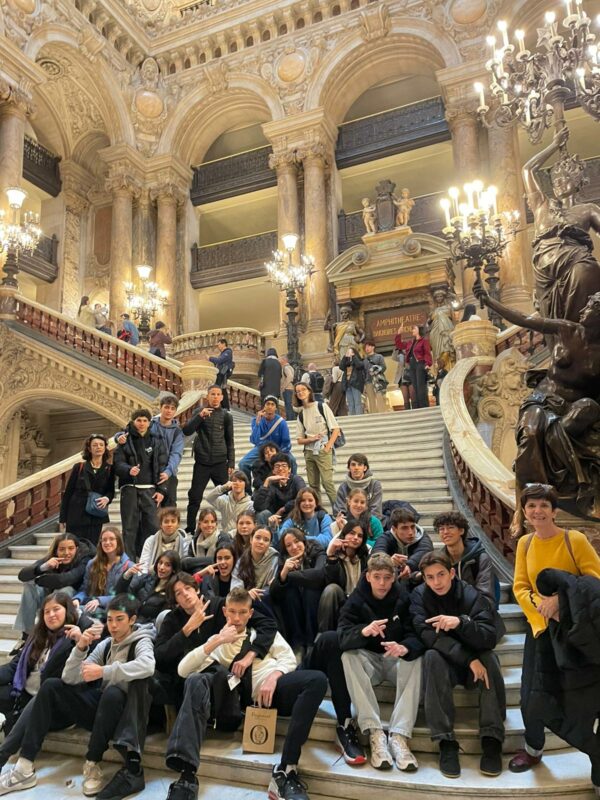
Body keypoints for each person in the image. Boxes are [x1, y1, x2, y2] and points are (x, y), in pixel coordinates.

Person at [165, 586, 326, 800]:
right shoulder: (217, 641)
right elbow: (182, 670)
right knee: (195, 679)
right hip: (241, 699)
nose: (237, 618)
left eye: (242, 612)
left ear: (250, 613)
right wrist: (217, 640)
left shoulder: (262, 634)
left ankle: (285, 770)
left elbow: (289, 659)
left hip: (274, 689)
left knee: (317, 680)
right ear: (224, 612)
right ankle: (186, 775)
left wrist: (274, 676)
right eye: (232, 612)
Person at [0, 594, 154, 799]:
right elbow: (70, 677)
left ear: (132, 620)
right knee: (51, 686)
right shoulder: (105, 644)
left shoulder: (142, 640)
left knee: (113, 694)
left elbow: (148, 665)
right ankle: (24, 767)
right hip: (99, 710)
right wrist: (80, 648)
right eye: (109, 619)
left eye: (119, 619)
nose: (113, 625)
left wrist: (104, 671)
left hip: (125, 717)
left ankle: (92, 763)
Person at [473, 280, 600, 518]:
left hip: (572, 406)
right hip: (544, 398)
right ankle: (522, 506)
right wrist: (489, 301)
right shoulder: (567, 329)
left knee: (582, 414)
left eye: (591, 306)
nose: (583, 309)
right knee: (531, 433)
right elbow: (525, 320)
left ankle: (551, 498)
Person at [510, 483, 600, 774]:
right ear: (524, 512)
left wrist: (560, 602)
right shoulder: (525, 544)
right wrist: (542, 608)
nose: (537, 511)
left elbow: (594, 580)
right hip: (540, 630)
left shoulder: (575, 540)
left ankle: (595, 759)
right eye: (531, 506)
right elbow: (520, 587)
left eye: (543, 505)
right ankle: (533, 749)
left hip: (574, 632)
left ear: (554, 511)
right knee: (531, 696)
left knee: (580, 696)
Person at [410, 552, 506, 779]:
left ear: (452, 573)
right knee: (431, 656)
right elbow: (428, 636)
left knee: (490, 658)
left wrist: (461, 623)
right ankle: (445, 741)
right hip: (449, 663)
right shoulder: (419, 596)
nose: (437, 582)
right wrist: (468, 659)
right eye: (430, 577)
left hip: (476, 661)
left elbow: (488, 637)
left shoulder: (470, 594)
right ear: (424, 578)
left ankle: (492, 738)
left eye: (441, 574)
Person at [153, 572, 277, 740]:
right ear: (175, 600)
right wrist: (186, 630)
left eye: (188, 588)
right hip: (184, 675)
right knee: (190, 679)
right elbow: (160, 657)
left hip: (217, 675)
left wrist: (251, 654)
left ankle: (185, 742)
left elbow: (268, 624)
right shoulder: (172, 619)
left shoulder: (219, 606)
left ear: (197, 589)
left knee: (201, 678)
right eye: (178, 593)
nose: (185, 595)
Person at [338, 553, 423, 771]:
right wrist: (363, 631)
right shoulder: (355, 599)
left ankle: (399, 735)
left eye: (387, 577)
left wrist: (405, 647)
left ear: (394, 577)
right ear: (368, 577)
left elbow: (417, 634)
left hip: (394, 659)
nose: (382, 583)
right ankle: (375, 731)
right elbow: (342, 637)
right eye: (377, 577)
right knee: (348, 656)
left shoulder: (404, 597)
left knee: (415, 658)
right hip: (370, 661)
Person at [523, 125, 600, 324]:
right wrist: (554, 145)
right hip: (545, 269)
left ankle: (579, 329)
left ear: (578, 182)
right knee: (549, 321)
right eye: (555, 178)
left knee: (586, 271)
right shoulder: (542, 205)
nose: (558, 181)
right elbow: (527, 169)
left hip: (576, 261)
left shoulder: (588, 209)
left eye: (564, 177)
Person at [0, 593, 83, 736]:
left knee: (16, 723)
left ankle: (11, 720)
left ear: (67, 610)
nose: (51, 615)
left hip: (52, 702)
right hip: (26, 693)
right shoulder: (37, 636)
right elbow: (14, 667)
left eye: (56, 609)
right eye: (46, 611)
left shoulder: (76, 639)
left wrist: (80, 643)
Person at [14, 532, 95, 638]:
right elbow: (22, 576)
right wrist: (43, 567)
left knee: (64, 590)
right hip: (50, 596)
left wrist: (38, 580)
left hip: (74, 599)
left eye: (71, 548)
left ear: (77, 548)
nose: (66, 553)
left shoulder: (85, 559)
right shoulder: (52, 558)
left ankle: (51, 633)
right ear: (56, 550)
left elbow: (66, 579)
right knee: (29, 586)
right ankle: (27, 634)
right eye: (62, 549)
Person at [113, 408, 168, 558]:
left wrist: (161, 490)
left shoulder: (156, 440)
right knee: (129, 528)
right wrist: (128, 470)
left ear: (149, 422)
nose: (142, 423)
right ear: (133, 422)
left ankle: (151, 560)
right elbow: (117, 464)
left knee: (152, 526)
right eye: (139, 420)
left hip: (150, 490)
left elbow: (162, 466)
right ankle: (129, 562)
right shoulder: (124, 440)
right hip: (129, 489)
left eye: (145, 420)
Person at [182, 385, 235, 534]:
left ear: (222, 397)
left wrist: (231, 462)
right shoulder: (199, 412)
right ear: (207, 396)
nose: (215, 397)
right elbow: (187, 431)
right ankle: (190, 529)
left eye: (218, 394)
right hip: (202, 463)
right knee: (194, 496)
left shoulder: (226, 416)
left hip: (220, 463)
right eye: (213, 394)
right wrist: (200, 416)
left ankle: (230, 527)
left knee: (227, 497)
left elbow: (230, 440)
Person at [270, 528, 326, 654]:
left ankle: (311, 643)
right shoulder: (285, 559)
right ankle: (298, 644)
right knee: (289, 592)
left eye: (297, 541)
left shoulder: (316, 549)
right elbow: (274, 592)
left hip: (316, 598)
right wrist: (284, 572)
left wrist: (290, 576)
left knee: (309, 591)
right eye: (289, 545)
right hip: (295, 604)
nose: (294, 547)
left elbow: (319, 574)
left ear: (304, 541)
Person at [59, 433, 115, 546]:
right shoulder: (79, 467)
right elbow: (68, 493)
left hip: (95, 514)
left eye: (101, 445)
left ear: (105, 448)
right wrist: (62, 518)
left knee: (92, 547)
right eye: (95, 445)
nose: (98, 447)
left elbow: (111, 491)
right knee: (74, 546)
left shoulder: (109, 469)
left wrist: (107, 498)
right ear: (89, 449)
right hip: (76, 513)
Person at [434, 511, 497, 608]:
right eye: (441, 529)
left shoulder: (480, 558)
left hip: (477, 609)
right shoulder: (438, 560)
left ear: (461, 531)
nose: (445, 532)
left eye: (451, 527)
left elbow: (486, 597)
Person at [294, 382, 340, 507]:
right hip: (309, 452)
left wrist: (328, 447)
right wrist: (311, 439)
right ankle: (318, 511)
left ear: (309, 391)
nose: (301, 393)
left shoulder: (321, 406)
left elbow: (336, 429)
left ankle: (339, 511)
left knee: (327, 482)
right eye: (298, 391)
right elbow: (299, 439)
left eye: (303, 389)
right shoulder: (301, 414)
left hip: (323, 448)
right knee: (313, 485)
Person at [318, 520, 369, 631]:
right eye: (352, 533)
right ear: (344, 534)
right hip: (342, 598)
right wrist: (331, 557)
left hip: (361, 599)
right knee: (331, 589)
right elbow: (330, 581)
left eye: (360, 536)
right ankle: (323, 634)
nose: (355, 538)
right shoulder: (333, 553)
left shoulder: (366, 556)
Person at [74, 527, 132, 619]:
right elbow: (85, 589)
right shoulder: (92, 564)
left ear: (119, 542)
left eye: (111, 539)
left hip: (114, 609)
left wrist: (100, 601)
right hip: (92, 605)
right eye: (104, 540)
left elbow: (126, 596)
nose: (107, 542)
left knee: (77, 613)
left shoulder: (129, 566)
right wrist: (78, 599)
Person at [116, 550, 181, 624]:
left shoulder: (172, 591)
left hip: (145, 627)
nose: (161, 567)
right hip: (128, 619)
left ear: (174, 569)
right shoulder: (148, 578)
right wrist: (127, 575)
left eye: (167, 565)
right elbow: (121, 594)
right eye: (160, 563)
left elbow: (160, 621)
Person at [238, 396, 293, 482]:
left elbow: (286, 442)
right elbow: (255, 440)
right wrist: (258, 423)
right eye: (268, 404)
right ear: (264, 406)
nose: (270, 406)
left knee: (292, 460)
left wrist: (279, 454)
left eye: (272, 404)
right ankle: (247, 487)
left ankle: (291, 483)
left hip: (278, 449)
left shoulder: (281, 422)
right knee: (243, 463)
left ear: (276, 408)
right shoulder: (256, 420)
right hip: (261, 448)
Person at [372, 507, 433, 582]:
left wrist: (409, 566)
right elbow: (376, 554)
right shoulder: (386, 537)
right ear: (394, 529)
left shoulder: (423, 537)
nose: (410, 532)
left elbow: (424, 551)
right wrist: (388, 561)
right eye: (404, 528)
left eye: (412, 527)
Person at [252, 452, 306, 529]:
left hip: (292, 515)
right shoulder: (271, 484)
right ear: (273, 471)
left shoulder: (296, 480)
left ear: (289, 469)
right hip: (274, 517)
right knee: (262, 514)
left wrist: (283, 509)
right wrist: (267, 481)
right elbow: (258, 507)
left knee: (295, 512)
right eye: (277, 466)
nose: (280, 469)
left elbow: (303, 497)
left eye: (284, 466)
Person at [231, 527, 278, 603]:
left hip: (266, 601)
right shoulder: (242, 561)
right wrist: (247, 594)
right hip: (244, 601)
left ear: (270, 544)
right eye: (258, 538)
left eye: (266, 540)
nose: (261, 542)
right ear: (251, 540)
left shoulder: (274, 559)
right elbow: (235, 588)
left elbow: (272, 587)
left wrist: (255, 594)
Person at [138, 506, 189, 573]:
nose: (169, 524)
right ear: (161, 524)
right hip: (152, 575)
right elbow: (143, 565)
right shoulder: (150, 541)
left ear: (178, 524)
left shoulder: (184, 543)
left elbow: (184, 567)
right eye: (166, 521)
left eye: (173, 521)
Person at [333, 452, 383, 519]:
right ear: (349, 468)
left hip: (369, 522)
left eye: (359, 465)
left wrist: (362, 523)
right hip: (349, 522)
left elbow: (376, 512)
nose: (356, 468)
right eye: (353, 465)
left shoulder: (375, 485)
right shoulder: (343, 487)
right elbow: (339, 511)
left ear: (365, 468)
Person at [205, 470, 254, 535]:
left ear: (245, 484)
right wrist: (223, 487)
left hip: (241, 536)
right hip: (226, 536)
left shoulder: (250, 504)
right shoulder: (224, 500)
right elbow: (209, 498)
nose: (237, 483)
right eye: (234, 481)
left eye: (240, 481)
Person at [397, 325, 431, 409]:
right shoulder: (410, 342)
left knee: (420, 386)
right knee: (415, 387)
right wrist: (399, 334)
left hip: (420, 364)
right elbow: (399, 345)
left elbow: (427, 353)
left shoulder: (424, 341)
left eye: (414, 329)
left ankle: (424, 406)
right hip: (412, 366)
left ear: (419, 330)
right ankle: (419, 407)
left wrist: (428, 363)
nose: (412, 330)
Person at [183, 508, 222, 572]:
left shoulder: (222, 538)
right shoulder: (194, 542)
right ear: (199, 524)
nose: (209, 525)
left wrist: (195, 561)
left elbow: (220, 561)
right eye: (206, 522)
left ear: (216, 524)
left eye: (212, 522)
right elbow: (185, 563)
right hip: (198, 573)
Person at [428, 289, 455, 371]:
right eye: (437, 297)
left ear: (444, 297)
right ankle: (439, 370)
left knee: (446, 348)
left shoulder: (449, 307)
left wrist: (454, 296)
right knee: (437, 352)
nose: (439, 298)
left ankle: (448, 369)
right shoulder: (433, 310)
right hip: (435, 332)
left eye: (441, 296)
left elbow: (454, 319)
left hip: (446, 330)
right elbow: (429, 322)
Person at [208, 338, 234, 410]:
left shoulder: (228, 352)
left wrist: (210, 358)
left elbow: (219, 361)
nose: (218, 347)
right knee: (221, 389)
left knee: (221, 389)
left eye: (219, 345)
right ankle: (224, 407)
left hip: (222, 374)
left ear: (223, 344)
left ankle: (225, 407)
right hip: (220, 374)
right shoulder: (223, 353)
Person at [339, 346, 365, 415]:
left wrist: (353, 356)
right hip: (347, 384)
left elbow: (359, 365)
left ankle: (359, 417)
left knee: (357, 402)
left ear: (354, 353)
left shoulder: (357, 360)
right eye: (347, 351)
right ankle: (352, 417)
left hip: (356, 383)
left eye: (349, 351)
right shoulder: (346, 362)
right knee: (350, 403)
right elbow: (341, 367)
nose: (348, 352)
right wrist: (345, 357)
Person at [363, 340, 387, 414]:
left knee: (380, 398)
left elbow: (383, 367)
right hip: (368, 381)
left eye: (368, 346)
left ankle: (383, 415)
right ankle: (374, 415)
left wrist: (375, 371)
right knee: (371, 400)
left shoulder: (379, 356)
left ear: (373, 347)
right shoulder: (364, 360)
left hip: (377, 380)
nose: (367, 348)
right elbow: (364, 372)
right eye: (365, 347)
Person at [279, 355, 296, 420]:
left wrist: (283, 387)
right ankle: (291, 418)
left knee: (288, 404)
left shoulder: (286, 368)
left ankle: (290, 419)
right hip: (289, 388)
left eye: (280, 359)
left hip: (287, 388)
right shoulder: (289, 367)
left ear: (284, 360)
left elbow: (290, 377)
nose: (279, 360)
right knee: (289, 404)